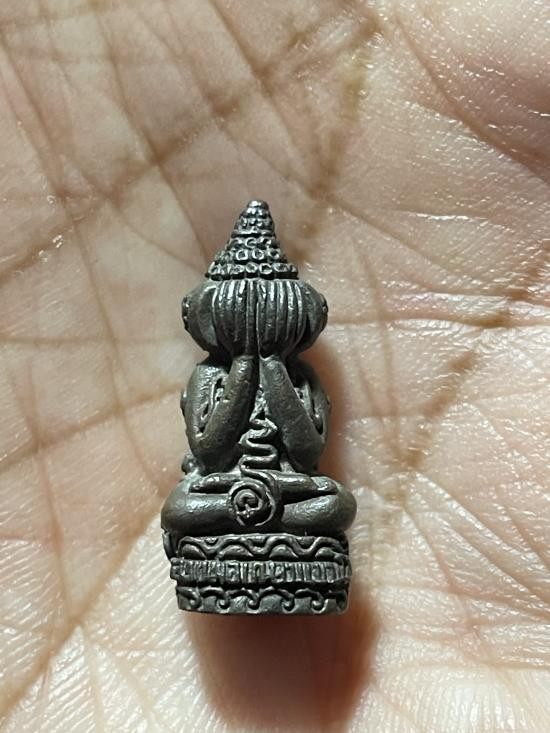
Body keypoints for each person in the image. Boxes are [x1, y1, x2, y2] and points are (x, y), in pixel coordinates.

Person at [0, 1, 548, 730]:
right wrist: (246, 373)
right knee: (185, 509)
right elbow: (210, 447)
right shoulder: (209, 377)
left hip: (288, 491)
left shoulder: (302, 378)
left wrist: (274, 375)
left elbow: (305, 445)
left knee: (331, 504)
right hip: (224, 491)